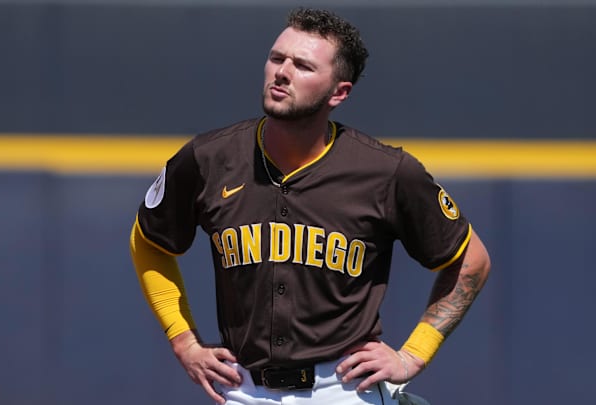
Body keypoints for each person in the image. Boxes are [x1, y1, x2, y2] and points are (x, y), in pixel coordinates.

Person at [130, 7, 490, 405]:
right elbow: (149, 241)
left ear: (339, 92)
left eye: (302, 65)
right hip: (243, 388)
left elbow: (471, 259)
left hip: (344, 388)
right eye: (276, 58)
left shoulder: (386, 172)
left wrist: (413, 354)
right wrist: (183, 341)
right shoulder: (208, 158)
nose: (282, 72)